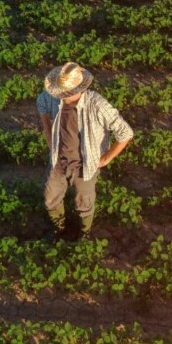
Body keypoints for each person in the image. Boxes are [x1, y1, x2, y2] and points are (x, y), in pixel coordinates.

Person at [36, 62, 134, 240]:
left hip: (85, 164)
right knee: (50, 198)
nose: (60, 96)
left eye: (64, 92)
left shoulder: (97, 104)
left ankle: (83, 235)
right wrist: (49, 137)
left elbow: (125, 132)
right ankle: (60, 229)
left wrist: (106, 159)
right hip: (59, 159)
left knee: (84, 203)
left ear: (77, 90)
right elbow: (41, 104)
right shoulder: (52, 98)